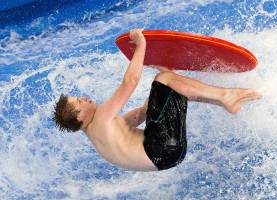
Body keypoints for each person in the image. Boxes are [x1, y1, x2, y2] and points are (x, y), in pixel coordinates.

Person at [53, 29, 262, 171]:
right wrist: (141, 45)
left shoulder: (99, 133)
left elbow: (143, 113)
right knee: (164, 80)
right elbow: (130, 81)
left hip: (167, 155)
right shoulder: (100, 118)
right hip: (160, 147)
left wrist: (167, 79)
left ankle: (224, 100)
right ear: (80, 115)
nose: (83, 98)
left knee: (169, 83)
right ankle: (227, 96)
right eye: (78, 102)